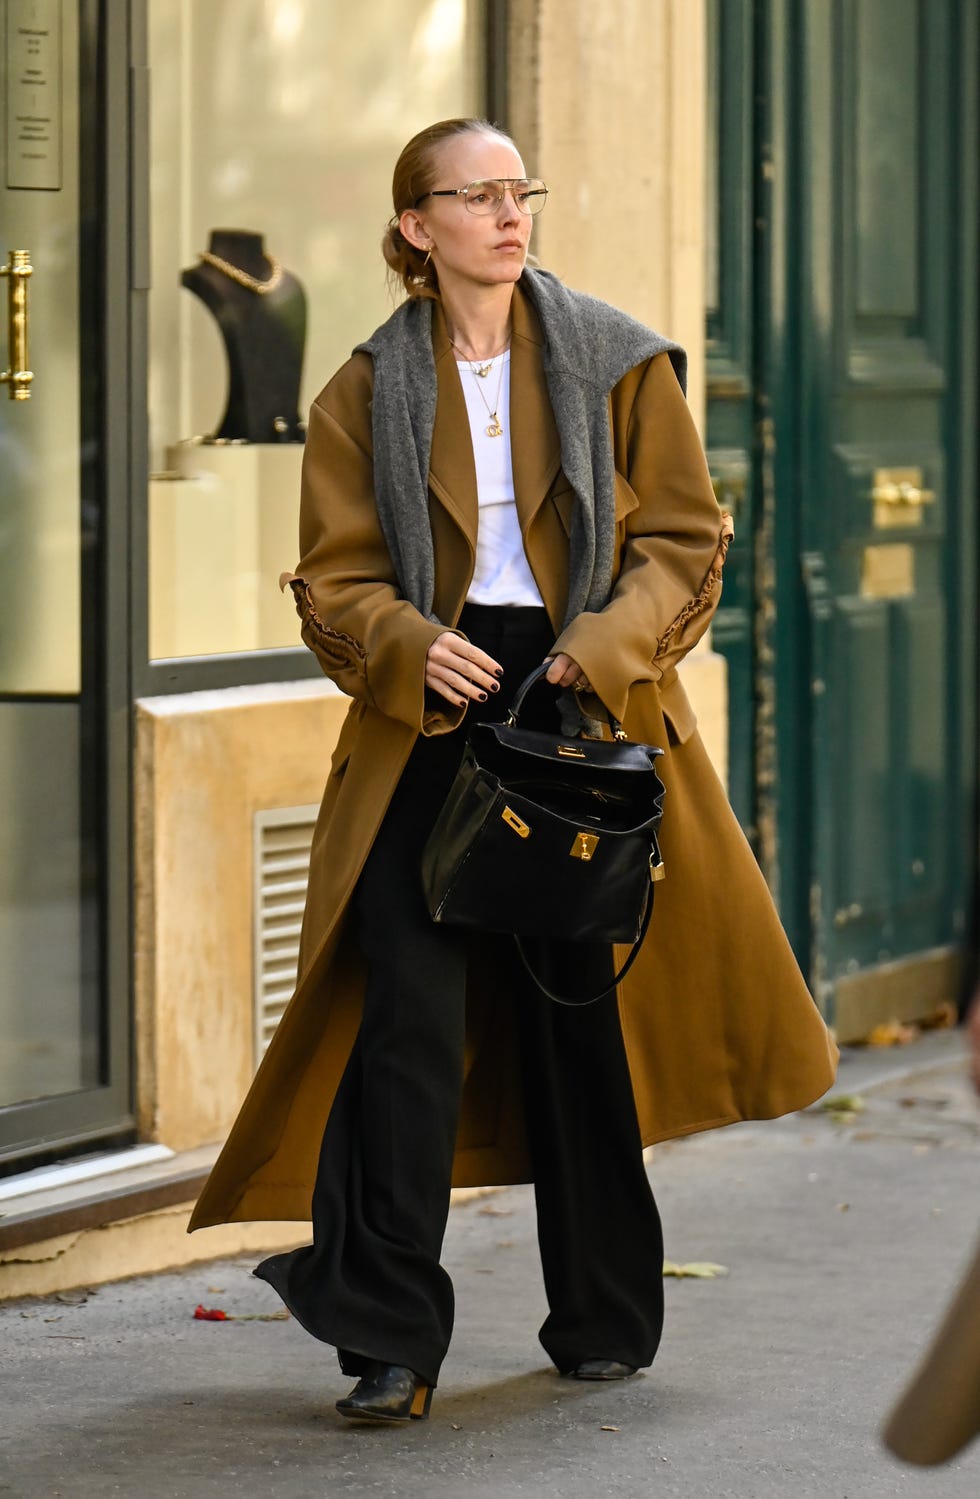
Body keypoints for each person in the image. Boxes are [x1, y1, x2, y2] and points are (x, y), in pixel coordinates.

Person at [189, 117, 837, 1423]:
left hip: (574, 704)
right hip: (428, 711)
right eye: (475, 197)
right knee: (404, 1029)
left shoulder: (613, 359)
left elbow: (680, 536)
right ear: (416, 227)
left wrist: (603, 645)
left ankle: (600, 1313)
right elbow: (335, 573)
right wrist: (403, 642)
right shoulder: (367, 388)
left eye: (517, 191)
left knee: (571, 1019)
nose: (508, 213)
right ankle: (385, 1339)